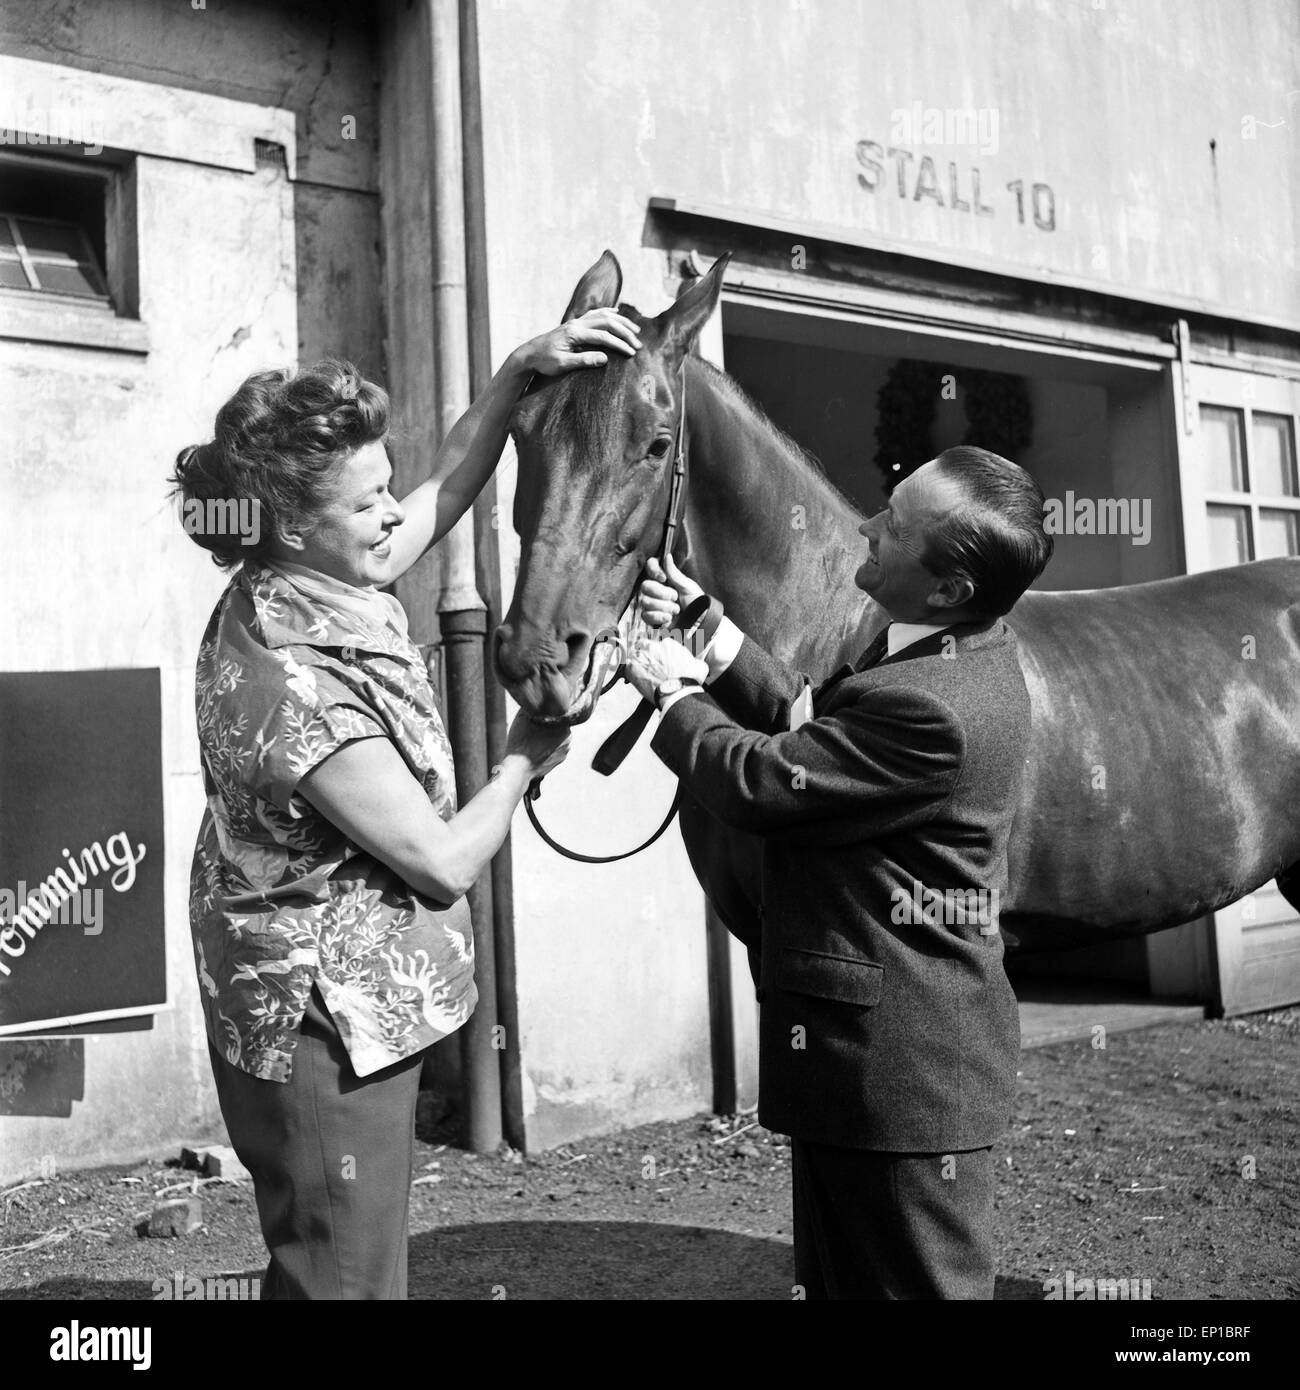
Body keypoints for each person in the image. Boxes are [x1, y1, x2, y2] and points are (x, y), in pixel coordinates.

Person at [170, 307, 641, 1299]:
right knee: (342, 1274)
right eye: (366, 502)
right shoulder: (288, 678)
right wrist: (527, 752)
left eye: (384, 486)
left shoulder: (319, 568)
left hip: (346, 1002)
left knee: (348, 1257)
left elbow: (444, 487)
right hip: (321, 1022)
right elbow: (437, 858)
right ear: (292, 523)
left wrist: (518, 370)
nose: (392, 514)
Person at [625, 446, 1053, 1300]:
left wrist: (671, 695)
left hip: (898, 1076)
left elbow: (761, 779)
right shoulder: (937, 652)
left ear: (948, 589)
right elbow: (814, 718)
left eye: (894, 526)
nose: (866, 525)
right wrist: (707, 630)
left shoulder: (934, 704)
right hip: (867, 1065)